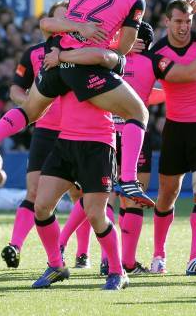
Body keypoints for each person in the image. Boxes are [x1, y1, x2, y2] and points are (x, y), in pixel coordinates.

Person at [0, 0, 153, 207]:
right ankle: (128, 179)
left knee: (29, 111)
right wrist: (107, 45)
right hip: (86, 67)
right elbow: (126, 46)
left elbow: (55, 22)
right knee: (138, 113)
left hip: (56, 60)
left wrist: (78, 29)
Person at [0, 0, 118, 268]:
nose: (65, 24)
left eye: (70, 19)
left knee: (83, 197)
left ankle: (83, 253)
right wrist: (29, 103)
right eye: (60, 19)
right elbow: (16, 89)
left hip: (77, 132)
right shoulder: (33, 53)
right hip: (45, 129)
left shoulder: (85, 52)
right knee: (34, 192)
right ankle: (16, 245)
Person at [55, 21, 163, 275]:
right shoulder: (147, 62)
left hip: (107, 134)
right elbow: (162, 89)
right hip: (130, 135)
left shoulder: (106, 56)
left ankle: (78, 248)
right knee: (129, 197)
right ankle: (124, 261)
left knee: (98, 197)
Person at [146, 0, 196, 275]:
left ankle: (195, 256)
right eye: (178, 21)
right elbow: (188, 75)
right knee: (167, 194)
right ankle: (158, 255)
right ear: (167, 22)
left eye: (188, 21)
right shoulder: (157, 52)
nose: (183, 27)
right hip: (176, 129)